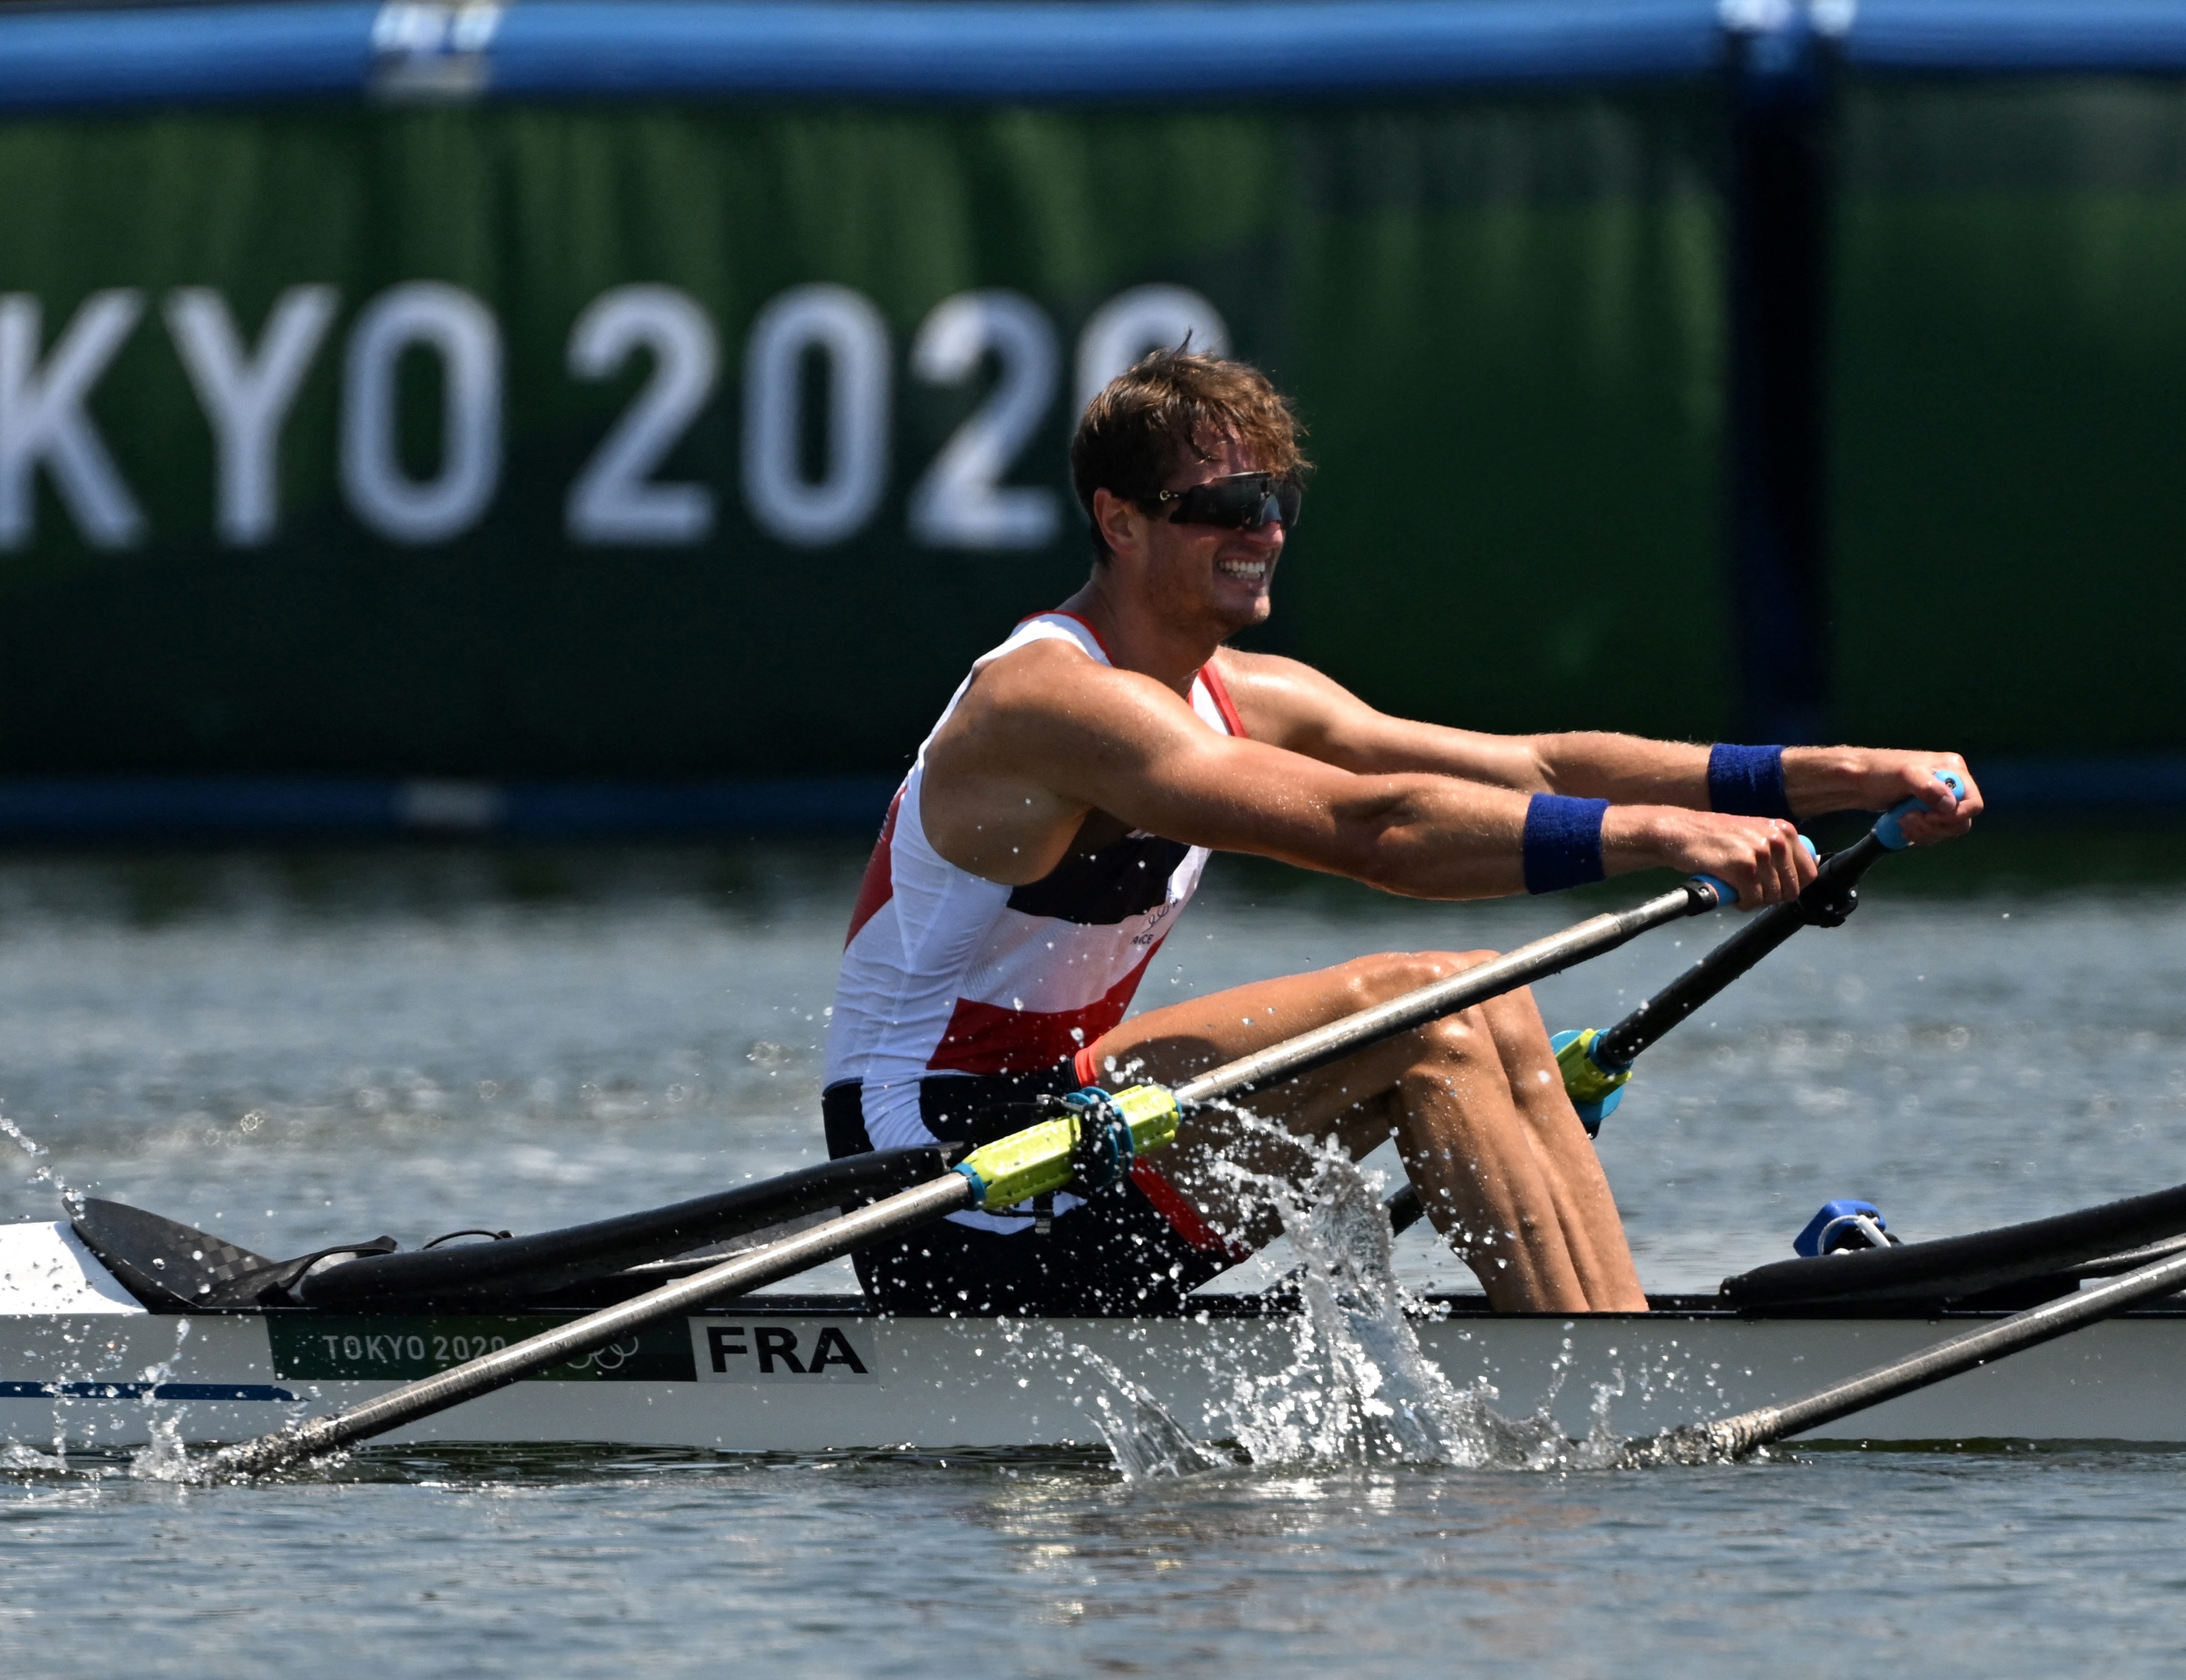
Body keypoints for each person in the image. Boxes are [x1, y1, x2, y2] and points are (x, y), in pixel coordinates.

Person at [824, 347, 1981, 1316]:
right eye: (1223, 507)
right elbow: (1374, 834)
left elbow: (1533, 764)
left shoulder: (1245, 694)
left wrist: (1847, 775)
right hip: (940, 1186)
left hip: (1074, 1129)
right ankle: (1608, 1385)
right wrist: (1664, 835)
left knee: (1482, 999)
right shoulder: (1048, 700)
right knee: (1436, 1007)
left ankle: (1610, 1337)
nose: (1263, 532)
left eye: (1275, 503)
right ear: (1119, 522)